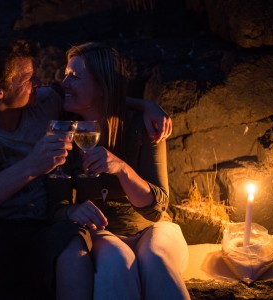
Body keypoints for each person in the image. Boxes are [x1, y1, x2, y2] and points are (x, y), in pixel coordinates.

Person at [0, 26, 173, 300]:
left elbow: (98, 95)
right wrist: (30, 166)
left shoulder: (44, 103)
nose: (39, 82)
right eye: (27, 78)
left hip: (48, 226)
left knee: (73, 243)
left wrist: (147, 107)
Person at [48, 42, 190, 300]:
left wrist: (122, 169)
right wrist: (72, 209)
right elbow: (56, 205)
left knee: (157, 259)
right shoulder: (64, 130)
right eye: (66, 74)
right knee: (116, 262)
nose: (64, 83)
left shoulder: (142, 126)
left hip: (153, 228)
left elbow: (156, 208)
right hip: (102, 232)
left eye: (75, 77)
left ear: (102, 85)